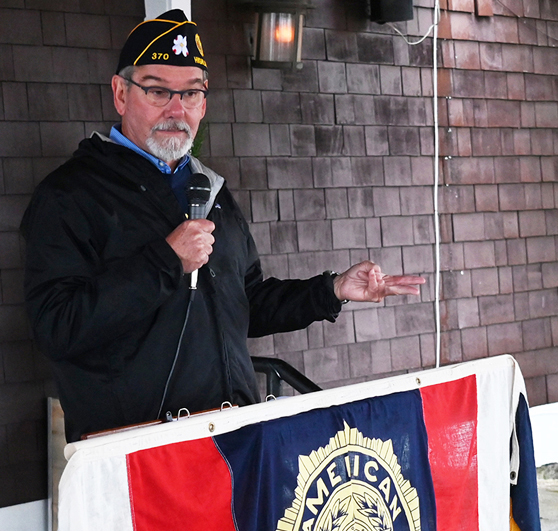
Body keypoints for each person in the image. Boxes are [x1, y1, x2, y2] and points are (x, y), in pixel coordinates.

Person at [22, 10, 425, 444]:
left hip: (232, 438)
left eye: (191, 93)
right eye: (158, 91)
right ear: (121, 94)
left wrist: (331, 290)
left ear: (204, 102)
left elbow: (245, 303)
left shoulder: (209, 189)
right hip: (141, 452)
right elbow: (57, 327)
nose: (176, 109)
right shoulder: (70, 195)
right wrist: (166, 261)